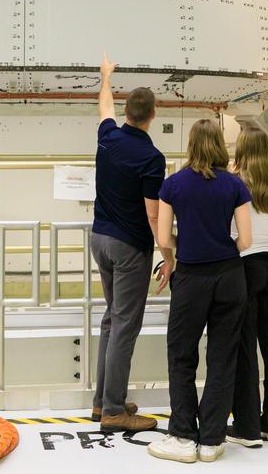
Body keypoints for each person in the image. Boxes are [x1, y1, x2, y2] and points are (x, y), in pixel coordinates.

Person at [147, 120, 252, 464]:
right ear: (220, 145)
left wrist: (185, 242)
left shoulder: (173, 185)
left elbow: (163, 240)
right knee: (222, 357)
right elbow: (246, 240)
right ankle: (211, 439)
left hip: (191, 277)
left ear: (191, 144)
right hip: (229, 275)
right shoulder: (234, 184)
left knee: (181, 355)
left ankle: (182, 435)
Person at [91, 53, 169, 433]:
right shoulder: (152, 158)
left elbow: (103, 104)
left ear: (127, 112)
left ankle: (103, 400)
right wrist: (168, 253)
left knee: (111, 319)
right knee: (124, 325)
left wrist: (105, 77)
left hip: (99, 239)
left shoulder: (108, 136)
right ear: (154, 114)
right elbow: (153, 214)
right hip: (128, 248)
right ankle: (114, 410)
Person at [227, 127, 268, 448]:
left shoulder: (235, 185)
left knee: (245, 347)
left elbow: (232, 232)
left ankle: (248, 426)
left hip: (245, 264)